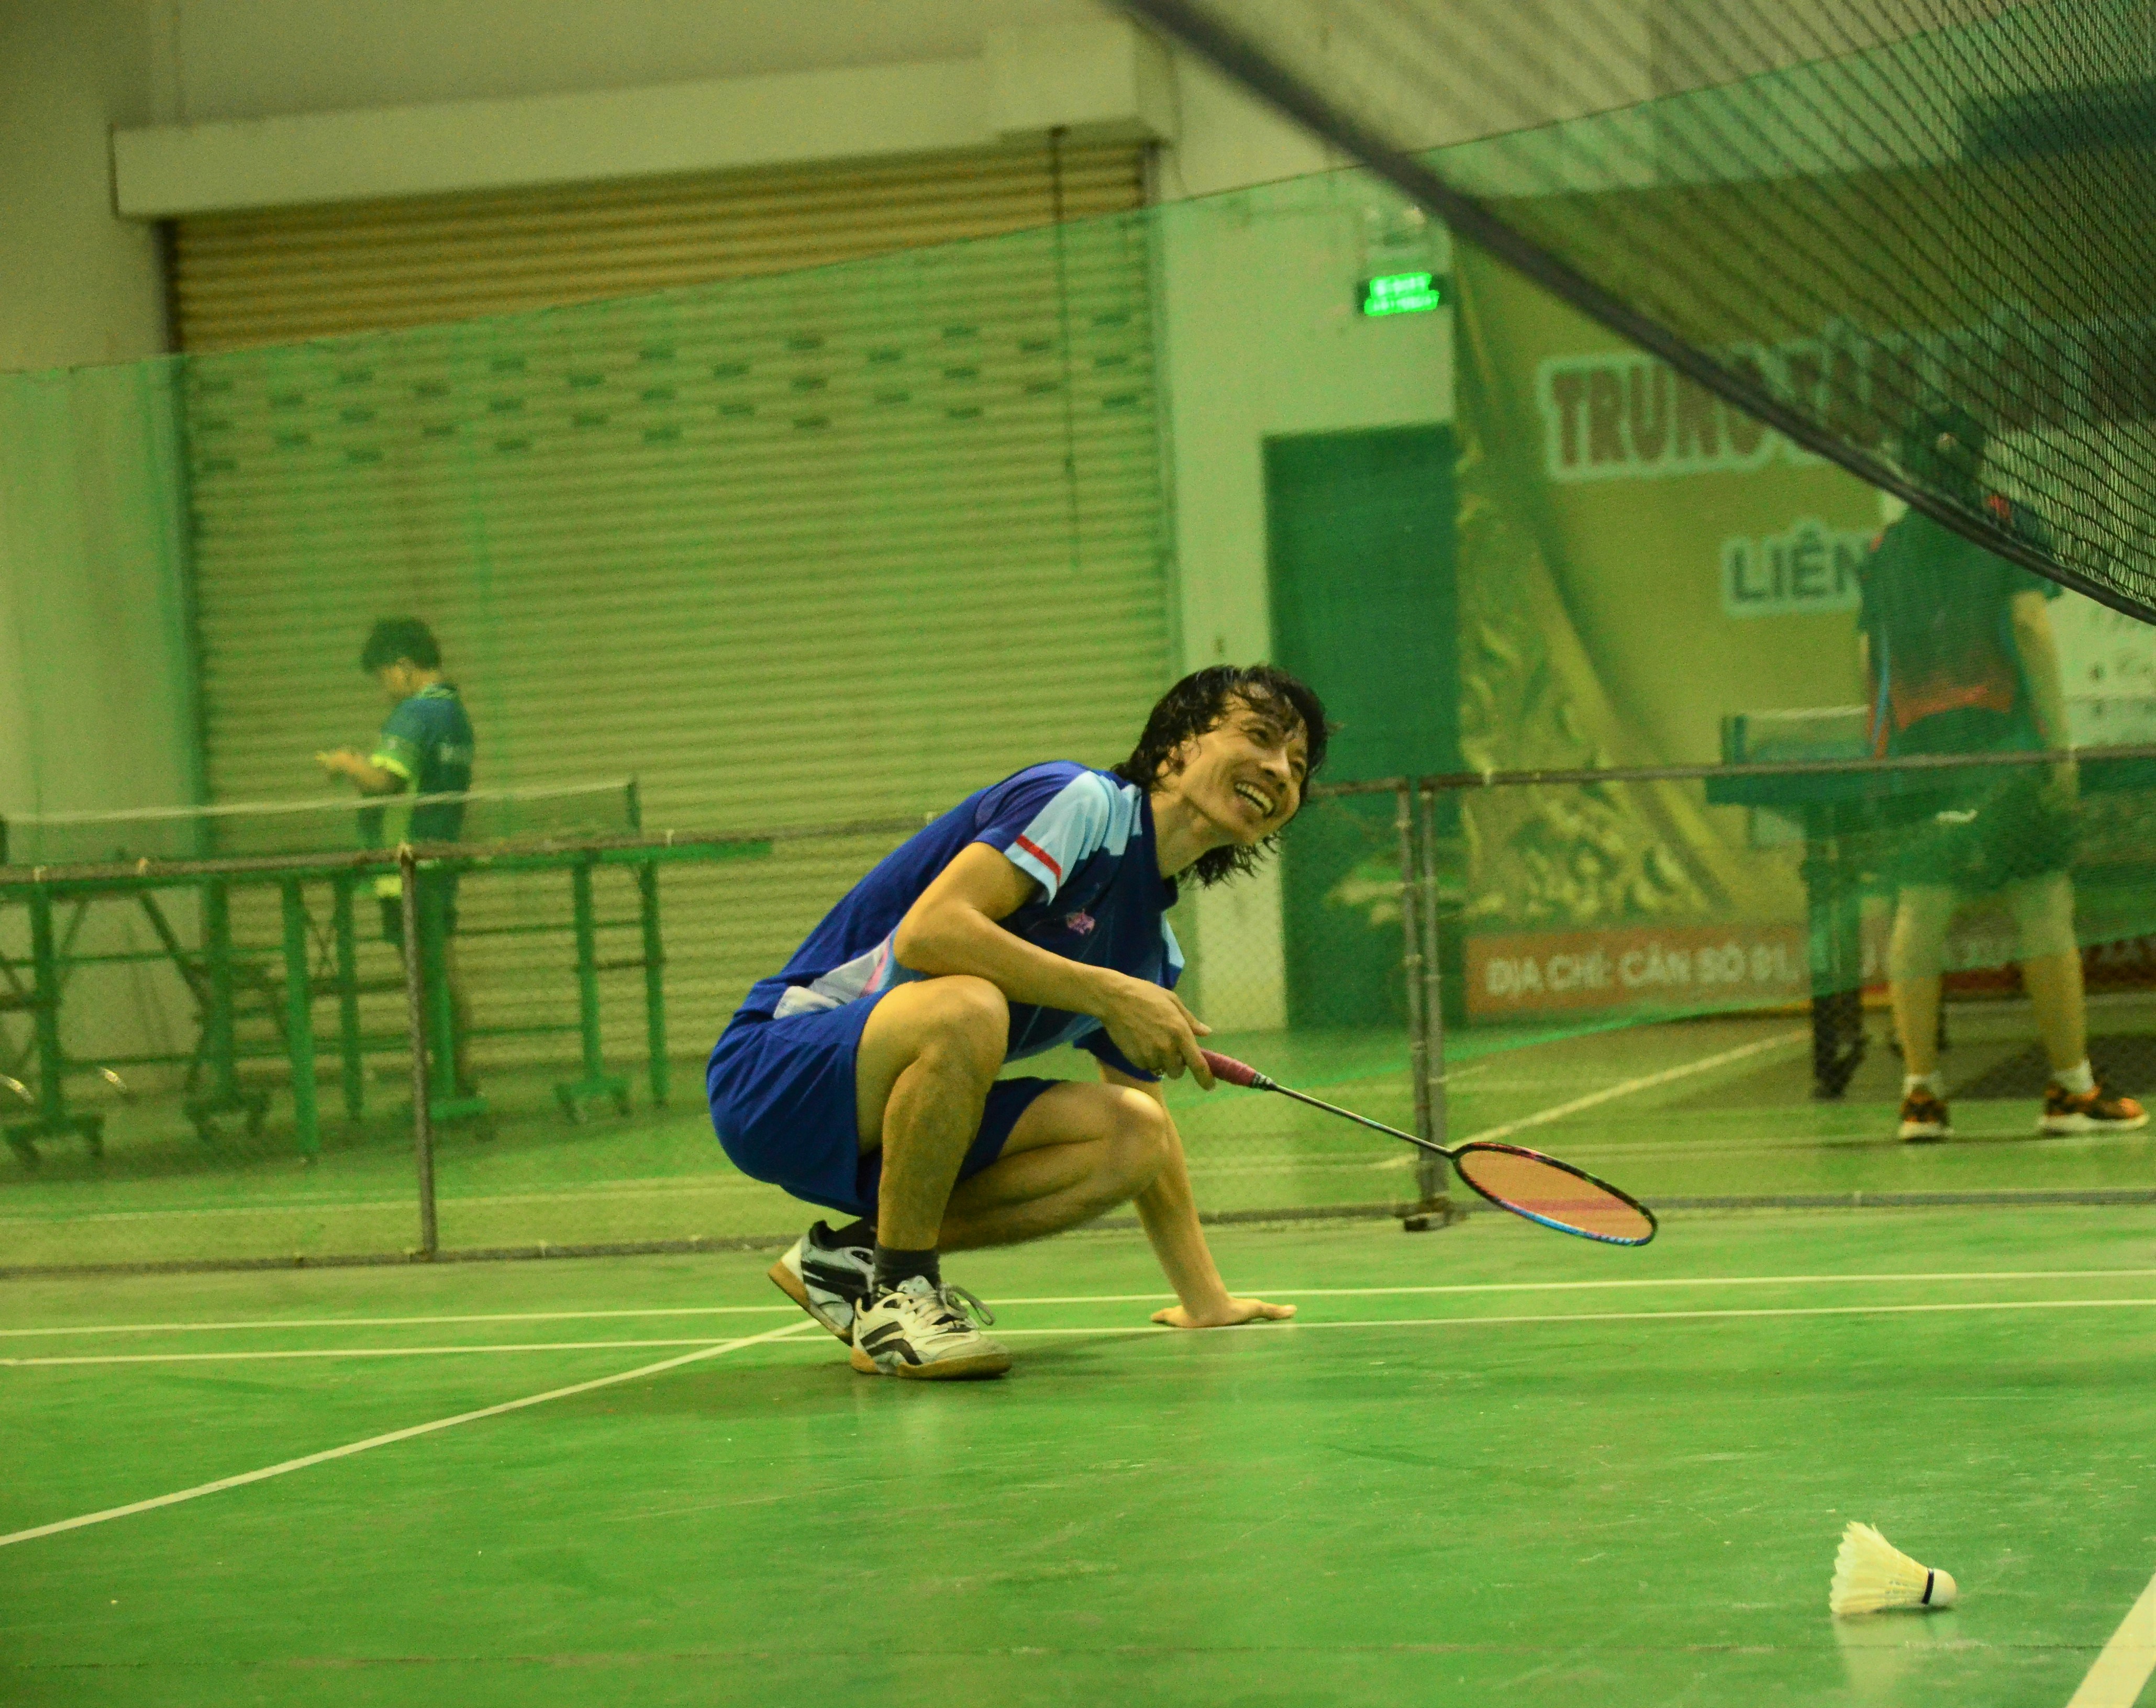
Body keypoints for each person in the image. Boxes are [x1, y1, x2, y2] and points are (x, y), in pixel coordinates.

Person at [708, 664, 1328, 1380]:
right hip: (779, 1071)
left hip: (892, 1131)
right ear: (1175, 748)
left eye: (1296, 765)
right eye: (1257, 736)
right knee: (968, 1003)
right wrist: (1109, 993)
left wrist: (1206, 1298)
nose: (1278, 769)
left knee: (1135, 1133)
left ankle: (849, 1259)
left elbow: (1150, 1144)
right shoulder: (1082, 802)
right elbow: (929, 933)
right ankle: (901, 1292)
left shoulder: (1149, 947)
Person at [1860, 406, 2144, 1142]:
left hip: (1922, 754)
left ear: (1910, 466)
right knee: (2042, 903)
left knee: (1918, 914)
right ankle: (2070, 1088)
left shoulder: (1885, 547)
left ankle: (1920, 1096)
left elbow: (1871, 663)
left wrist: (1876, 757)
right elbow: (2028, 626)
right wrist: (2059, 748)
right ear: (1981, 457)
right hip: (2009, 746)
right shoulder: (2008, 522)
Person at [316, 617, 480, 1093]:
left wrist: (346, 764)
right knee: (442, 972)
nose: (385, 688)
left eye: (384, 676)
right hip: (440, 861)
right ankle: (457, 1071)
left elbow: (385, 781)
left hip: (406, 871)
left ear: (404, 668)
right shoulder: (456, 714)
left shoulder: (414, 714)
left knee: (429, 981)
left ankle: (449, 1080)